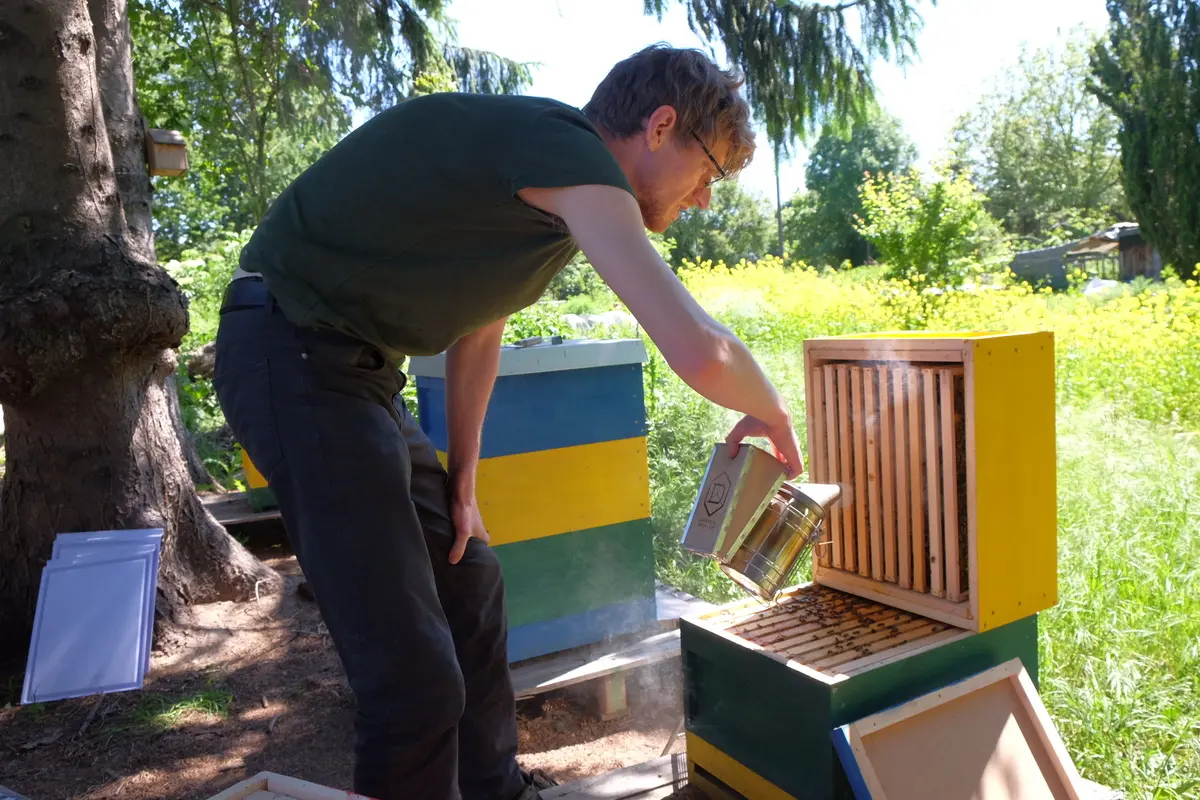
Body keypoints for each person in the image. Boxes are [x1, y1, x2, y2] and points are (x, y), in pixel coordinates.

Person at [212, 43, 804, 800]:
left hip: (355, 374)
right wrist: (774, 408)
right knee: (412, 680)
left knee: (470, 578)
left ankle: (495, 791)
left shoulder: (550, 200)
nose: (705, 201)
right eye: (712, 173)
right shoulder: (567, 151)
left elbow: (478, 330)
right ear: (661, 127)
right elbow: (698, 348)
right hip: (291, 351)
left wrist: (461, 482)